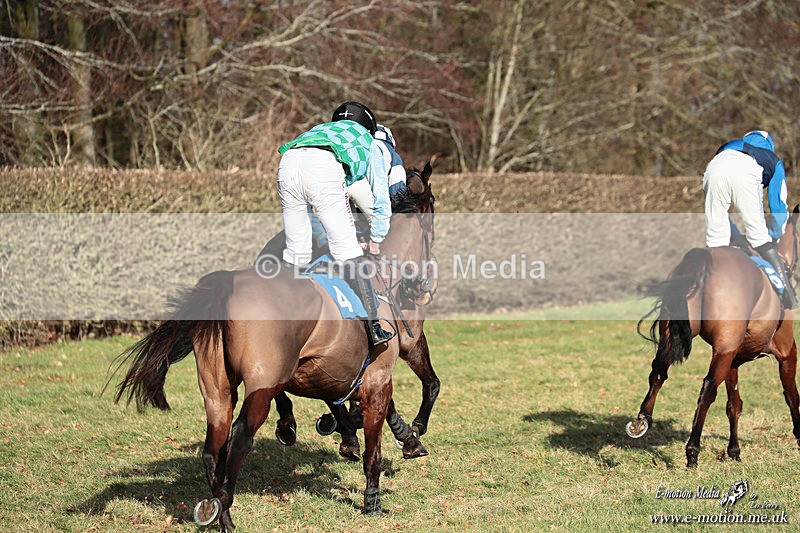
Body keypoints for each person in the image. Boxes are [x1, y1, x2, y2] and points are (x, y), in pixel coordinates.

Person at [276, 101, 393, 344]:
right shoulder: (370, 143)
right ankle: (374, 328)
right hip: (322, 167)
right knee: (347, 251)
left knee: (297, 253)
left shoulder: (322, 129)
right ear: (369, 127)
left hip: (287, 162)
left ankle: (280, 316)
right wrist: (377, 239)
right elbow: (381, 198)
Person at [702, 130, 798, 309]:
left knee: (715, 242)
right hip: (746, 170)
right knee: (760, 239)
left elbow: (720, 213)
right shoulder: (773, 159)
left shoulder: (730, 145)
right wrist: (774, 236)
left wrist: (736, 237)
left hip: (714, 166)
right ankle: (787, 295)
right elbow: (778, 207)